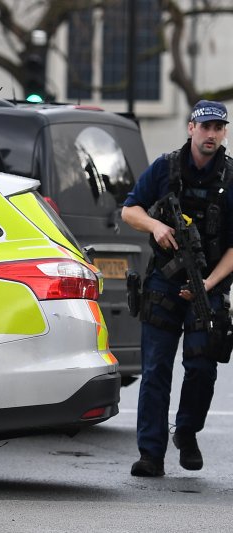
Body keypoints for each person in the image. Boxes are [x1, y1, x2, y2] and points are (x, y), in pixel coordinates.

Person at [121, 100, 233, 477]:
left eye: (218, 128)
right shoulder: (165, 168)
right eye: (205, 127)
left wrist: (208, 283)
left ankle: (186, 431)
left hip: (209, 282)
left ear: (225, 133)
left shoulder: (230, 178)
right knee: (155, 370)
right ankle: (151, 453)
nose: (211, 134)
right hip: (164, 282)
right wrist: (155, 227)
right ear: (191, 128)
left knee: (202, 367)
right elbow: (130, 209)